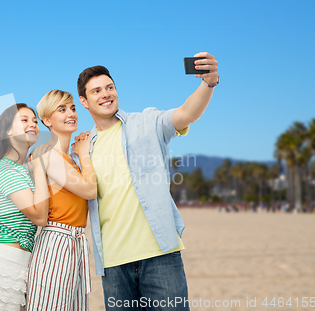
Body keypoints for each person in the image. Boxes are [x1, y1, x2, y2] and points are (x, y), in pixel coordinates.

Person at [75, 52, 219, 310]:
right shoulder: (85, 149)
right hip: (113, 262)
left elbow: (187, 113)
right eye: (96, 91)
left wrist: (208, 83)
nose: (106, 94)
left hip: (160, 255)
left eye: (110, 87)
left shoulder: (147, 122)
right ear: (84, 101)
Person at [27, 90, 97, 310]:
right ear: (47, 120)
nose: (71, 114)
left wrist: (80, 154)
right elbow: (89, 190)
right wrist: (84, 152)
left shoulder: (70, 159)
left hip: (75, 241)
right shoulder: (49, 156)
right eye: (62, 109)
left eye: (73, 108)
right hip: (57, 241)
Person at [0, 103, 51, 311]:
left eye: (35, 121)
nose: (33, 125)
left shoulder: (18, 169)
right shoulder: (7, 169)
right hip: (5, 267)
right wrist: (38, 166)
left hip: (21, 264)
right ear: (8, 131)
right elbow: (39, 217)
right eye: (25, 120)